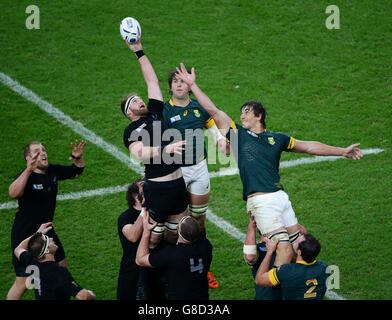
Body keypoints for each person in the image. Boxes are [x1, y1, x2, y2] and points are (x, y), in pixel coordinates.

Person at [173, 63, 363, 267]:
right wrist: (193, 87)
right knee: (282, 247)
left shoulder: (278, 138)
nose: (242, 115)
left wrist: (341, 151)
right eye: (241, 113)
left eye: (246, 112)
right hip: (261, 201)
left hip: (281, 198)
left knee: (297, 243)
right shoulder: (238, 135)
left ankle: (287, 281)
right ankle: (279, 285)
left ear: (259, 115)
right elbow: (213, 110)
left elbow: (308, 147)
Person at [163, 69, 229, 289]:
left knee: (199, 220)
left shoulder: (198, 106)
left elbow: (213, 129)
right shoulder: (165, 110)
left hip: (200, 168)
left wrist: (221, 141)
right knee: (179, 224)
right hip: (177, 171)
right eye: (175, 82)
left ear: (190, 85)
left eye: (183, 81)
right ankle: (176, 265)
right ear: (170, 87)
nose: (179, 85)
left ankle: (203, 267)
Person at [121, 39, 189, 249]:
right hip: (158, 188)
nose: (140, 100)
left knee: (179, 233)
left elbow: (151, 81)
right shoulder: (131, 131)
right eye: (134, 101)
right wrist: (164, 150)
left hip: (178, 183)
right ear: (129, 112)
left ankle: (172, 270)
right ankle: (147, 279)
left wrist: (139, 51)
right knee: (153, 237)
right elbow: (138, 153)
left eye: (139, 98)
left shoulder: (155, 112)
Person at [7, 140, 86, 300]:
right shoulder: (25, 177)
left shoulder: (52, 171)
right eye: (37, 151)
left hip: (48, 233)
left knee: (61, 270)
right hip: (26, 236)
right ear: (29, 158)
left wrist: (78, 158)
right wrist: (28, 170)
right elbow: (13, 193)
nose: (43, 153)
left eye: (44, 150)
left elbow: (76, 171)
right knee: (24, 282)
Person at [136, 210, 213, 300]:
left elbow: (140, 260)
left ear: (178, 232)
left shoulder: (172, 255)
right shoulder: (206, 246)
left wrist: (146, 231)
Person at [14, 222, 96, 300]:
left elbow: (18, 249)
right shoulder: (58, 272)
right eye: (48, 240)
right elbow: (83, 296)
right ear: (46, 251)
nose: (52, 238)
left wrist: (38, 234)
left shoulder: (32, 261)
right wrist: (90, 294)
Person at [255, 233, 329, 300]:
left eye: (296, 241)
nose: (294, 241)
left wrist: (269, 252)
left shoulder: (286, 271)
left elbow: (259, 280)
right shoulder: (325, 268)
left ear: (299, 252)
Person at [117, 178, 145, 300]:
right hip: (131, 270)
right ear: (135, 196)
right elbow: (133, 236)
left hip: (153, 268)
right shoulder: (125, 217)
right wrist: (145, 209)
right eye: (144, 190)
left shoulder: (157, 212)